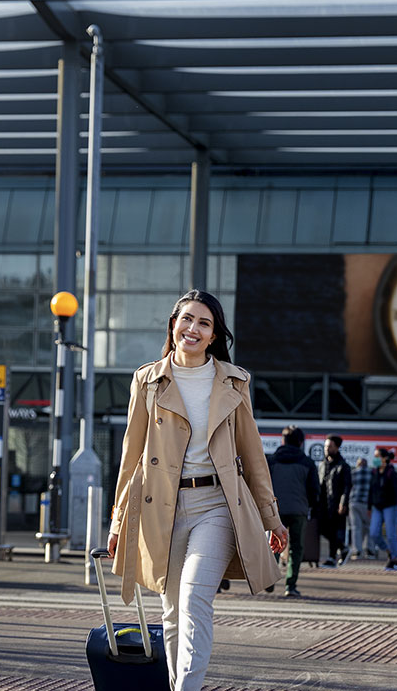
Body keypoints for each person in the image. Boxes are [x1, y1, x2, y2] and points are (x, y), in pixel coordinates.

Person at [107, 289, 286, 691]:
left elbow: (253, 455)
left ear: (214, 336)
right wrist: (118, 521)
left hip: (217, 505)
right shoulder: (148, 379)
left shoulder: (234, 382)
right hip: (160, 508)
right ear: (173, 325)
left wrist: (270, 516)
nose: (193, 328)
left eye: (204, 323)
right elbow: (131, 455)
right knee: (170, 612)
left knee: (192, 601)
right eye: (186, 319)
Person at [268, 425, 318, 596]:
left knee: (273, 544)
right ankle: (291, 585)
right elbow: (314, 489)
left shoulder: (272, 460)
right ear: (301, 442)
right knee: (296, 548)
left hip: (276, 510)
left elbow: (263, 485)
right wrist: (310, 505)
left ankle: (269, 579)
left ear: (283, 441)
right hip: (299, 510)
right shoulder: (307, 462)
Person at [369, 448, 397, 571]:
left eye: (377, 456)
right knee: (374, 533)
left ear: (385, 458)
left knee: (391, 534)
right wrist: (369, 506)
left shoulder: (391, 473)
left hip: (390, 507)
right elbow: (371, 491)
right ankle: (389, 551)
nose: (375, 459)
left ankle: (395, 559)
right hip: (377, 507)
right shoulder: (374, 472)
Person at [318, 434, 352, 568]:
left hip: (336, 504)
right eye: (325, 446)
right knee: (322, 529)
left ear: (337, 448)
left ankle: (332, 558)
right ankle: (342, 548)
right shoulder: (322, 465)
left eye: (330, 446)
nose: (326, 449)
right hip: (323, 505)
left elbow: (347, 487)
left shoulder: (343, 466)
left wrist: (343, 503)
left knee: (333, 530)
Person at [347, 457, 373, 559]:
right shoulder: (371, 474)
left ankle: (356, 551)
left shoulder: (353, 473)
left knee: (356, 528)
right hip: (368, 504)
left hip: (354, 503)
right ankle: (369, 550)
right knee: (369, 528)